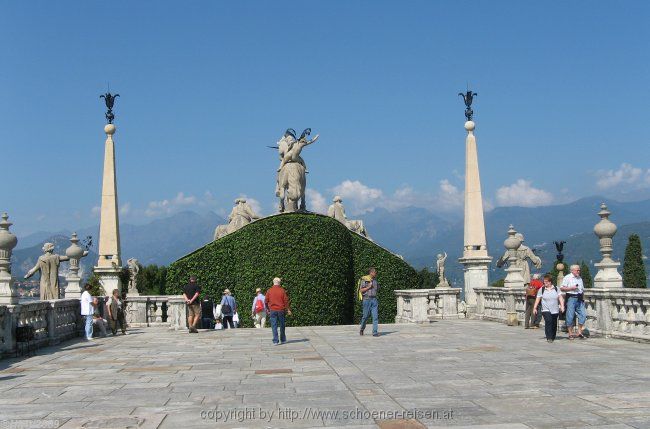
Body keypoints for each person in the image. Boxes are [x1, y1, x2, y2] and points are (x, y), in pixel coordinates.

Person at [534, 274, 565, 342]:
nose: (545, 283)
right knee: (548, 321)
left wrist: (562, 306)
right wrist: (535, 308)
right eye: (544, 281)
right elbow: (538, 299)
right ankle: (549, 337)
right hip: (545, 309)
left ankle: (553, 335)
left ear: (550, 282)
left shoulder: (556, 289)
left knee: (554, 323)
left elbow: (560, 298)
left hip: (555, 309)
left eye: (546, 281)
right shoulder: (541, 289)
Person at [561, 264, 587, 339]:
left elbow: (582, 289)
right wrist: (571, 288)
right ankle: (570, 333)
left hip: (579, 298)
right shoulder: (567, 277)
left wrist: (583, 298)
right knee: (570, 316)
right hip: (571, 298)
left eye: (579, 270)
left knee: (583, 315)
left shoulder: (579, 278)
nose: (579, 271)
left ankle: (579, 332)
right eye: (577, 270)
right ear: (572, 270)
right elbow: (562, 288)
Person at [265, 277, 291, 345]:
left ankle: (275, 341)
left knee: (274, 326)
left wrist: (268, 309)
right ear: (279, 283)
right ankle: (283, 339)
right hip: (281, 310)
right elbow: (286, 301)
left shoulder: (269, 290)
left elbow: (265, 301)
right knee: (282, 325)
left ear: (273, 282)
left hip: (272, 310)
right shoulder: (282, 290)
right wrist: (288, 309)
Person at [359, 267, 380, 337]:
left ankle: (375, 332)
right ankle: (362, 329)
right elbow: (361, 290)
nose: (375, 273)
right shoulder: (364, 280)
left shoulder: (375, 281)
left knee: (375, 317)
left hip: (374, 300)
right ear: (371, 273)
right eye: (374, 272)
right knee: (365, 316)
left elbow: (377, 289)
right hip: (366, 300)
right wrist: (368, 287)